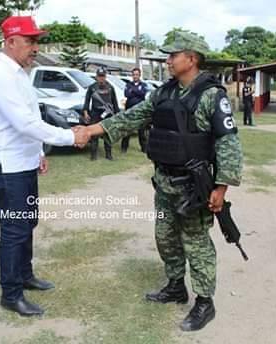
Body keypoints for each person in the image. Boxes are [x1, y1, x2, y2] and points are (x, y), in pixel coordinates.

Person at [76, 32, 243, 332]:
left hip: (194, 188)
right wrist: (92, 130)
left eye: (172, 55)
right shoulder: (164, 93)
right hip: (165, 184)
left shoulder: (211, 95)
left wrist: (221, 188)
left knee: (196, 243)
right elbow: (132, 117)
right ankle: (176, 286)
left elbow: (228, 143)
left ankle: (205, 303)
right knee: (165, 237)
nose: (167, 60)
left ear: (191, 59)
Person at [0, 15, 89, 317]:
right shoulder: (1, 77)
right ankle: (10, 293)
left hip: (23, 162)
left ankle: (25, 275)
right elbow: (24, 123)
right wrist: (70, 137)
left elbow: (30, 120)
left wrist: (38, 152)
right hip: (7, 167)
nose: (35, 48)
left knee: (27, 222)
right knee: (14, 229)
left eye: (36, 41)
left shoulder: (20, 74)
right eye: (29, 41)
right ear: (11, 42)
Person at [83, 67, 119, 160]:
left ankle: (108, 155)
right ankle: (93, 155)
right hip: (95, 113)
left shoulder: (110, 87)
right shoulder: (92, 87)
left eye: (103, 76)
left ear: (105, 76)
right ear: (96, 77)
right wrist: (86, 113)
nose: (101, 78)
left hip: (108, 114)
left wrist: (117, 114)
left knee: (107, 134)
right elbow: (87, 101)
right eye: (99, 76)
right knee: (94, 134)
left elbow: (115, 102)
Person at [121, 67, 149, 153]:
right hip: (130, 110)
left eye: (137, 75)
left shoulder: (143, 85)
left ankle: (144, 148)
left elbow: (142, 93)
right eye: (134, 75)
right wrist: (136, 91)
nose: (135, 76)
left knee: (141, 131)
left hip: (140, 111)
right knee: (127, 130)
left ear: (139, 75)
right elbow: (126, 94)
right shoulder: (128, 84)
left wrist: (133, 91)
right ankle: (124, 147)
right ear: (132, 75)